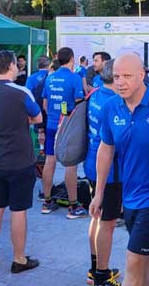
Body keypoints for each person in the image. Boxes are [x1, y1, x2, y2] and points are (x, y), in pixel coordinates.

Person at [90, 53, 149, 286]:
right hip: (130, 196)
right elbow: (106, 149)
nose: (120, 81)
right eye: (117, 76)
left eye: (127, 76)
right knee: (148, 257)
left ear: (143, 75)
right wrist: (99, 193)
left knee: (134, 258)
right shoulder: (111, 107)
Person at [0, 50, 43, 273]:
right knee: (18, 210)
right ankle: (19, 259)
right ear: (10, 66)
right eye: (16, 64)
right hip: (19, 159)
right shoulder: (21, 91)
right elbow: (38, 117)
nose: (18, 68)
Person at [85, 59, 121, 286]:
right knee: (107, 223)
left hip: (91, 166)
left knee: (97, 217)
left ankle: (95, 267)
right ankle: (102, 274)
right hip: (108, 172)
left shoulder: (96, 94)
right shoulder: (114, 103)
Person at [41, 47, 87, 218]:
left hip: (52, 123)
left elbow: (45, 104)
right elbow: (78, 102)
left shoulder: (50, 77)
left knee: (49, 161)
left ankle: (46, 202)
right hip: (66, 126)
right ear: (72, 59)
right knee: (71, 164)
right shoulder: (75, 78)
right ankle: (73, 206)